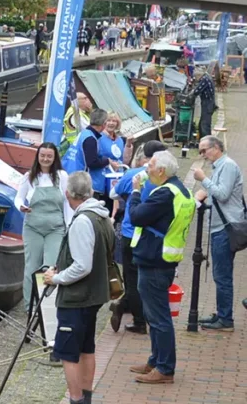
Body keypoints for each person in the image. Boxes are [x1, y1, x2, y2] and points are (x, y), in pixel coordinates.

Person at [44, 171, 114, 404]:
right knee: (86, 348)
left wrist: (56, 278)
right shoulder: (103, 216)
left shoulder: (83, 220)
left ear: (68, 194)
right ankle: (86, 398)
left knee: (68, 353)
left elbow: (82, 266)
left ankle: (76, 399)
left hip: (77, 298)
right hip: (94, 296)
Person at [127, 150, 195, 384]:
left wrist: (135, 191)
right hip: (163, 259)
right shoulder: (181, 191)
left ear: (161, 171)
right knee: (154, 315)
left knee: (158, 318)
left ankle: (164, 368)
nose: (146, 168)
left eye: (151, 165)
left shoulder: (165, 194)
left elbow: (136, 216)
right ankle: (156, 361)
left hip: (155, 261)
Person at [109, 140, 166, 334]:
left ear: (144, 156)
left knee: (131, 279)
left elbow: (112, 194)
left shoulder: (133, 175)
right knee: (147, 277)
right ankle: (130, 307)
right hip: (153, 235)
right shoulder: (165, 176)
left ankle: (139, 320)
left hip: (131, 233)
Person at [193, 135, 245, 331]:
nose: (203, 155)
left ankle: (226, 319)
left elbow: (222, 194)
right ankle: (222, 314)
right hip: (219, 227)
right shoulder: (219, 167)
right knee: (219, 273)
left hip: (225, 227)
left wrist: (204, 180)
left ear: (216, 148)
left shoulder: (228, 166)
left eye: (204, 150)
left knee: (222, 275)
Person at [14, 142, 70, 307]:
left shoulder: (62, 176)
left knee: (51, 267)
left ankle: (48, 306)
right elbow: (18, 198)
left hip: (56, 228)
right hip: (33, 228)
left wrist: (68, 225)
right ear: (38, 157)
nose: (45, 159)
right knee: (32, 267)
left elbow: (67, 203)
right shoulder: (29, 176)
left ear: (54, 158)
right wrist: (21, 207)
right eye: (42, 155)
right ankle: (29, 306)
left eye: (49, 156)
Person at [63, 109, 112, 200]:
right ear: (104, 124)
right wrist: (107, 161)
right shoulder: (90, 139)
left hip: (72, 177)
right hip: (82, 185)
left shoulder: (84, 133)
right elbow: (92, 163)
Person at [188, 69, 216, 140]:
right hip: (207, 102)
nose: (196, 79)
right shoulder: (205, 77)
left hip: (208, 103)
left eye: (196, 77)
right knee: (202, 123)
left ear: (198, 75)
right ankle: (202, 140)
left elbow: (197, 90)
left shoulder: (205, 79)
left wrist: (190, 94)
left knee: (205, 124)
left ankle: (207, 141)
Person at [62, 93, 92, 157]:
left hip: (78, 147)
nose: (88, 100)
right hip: (76, 148)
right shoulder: (75, 113)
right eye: (85, 98)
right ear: (77, 100)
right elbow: (91, 130)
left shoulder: (81, 112)